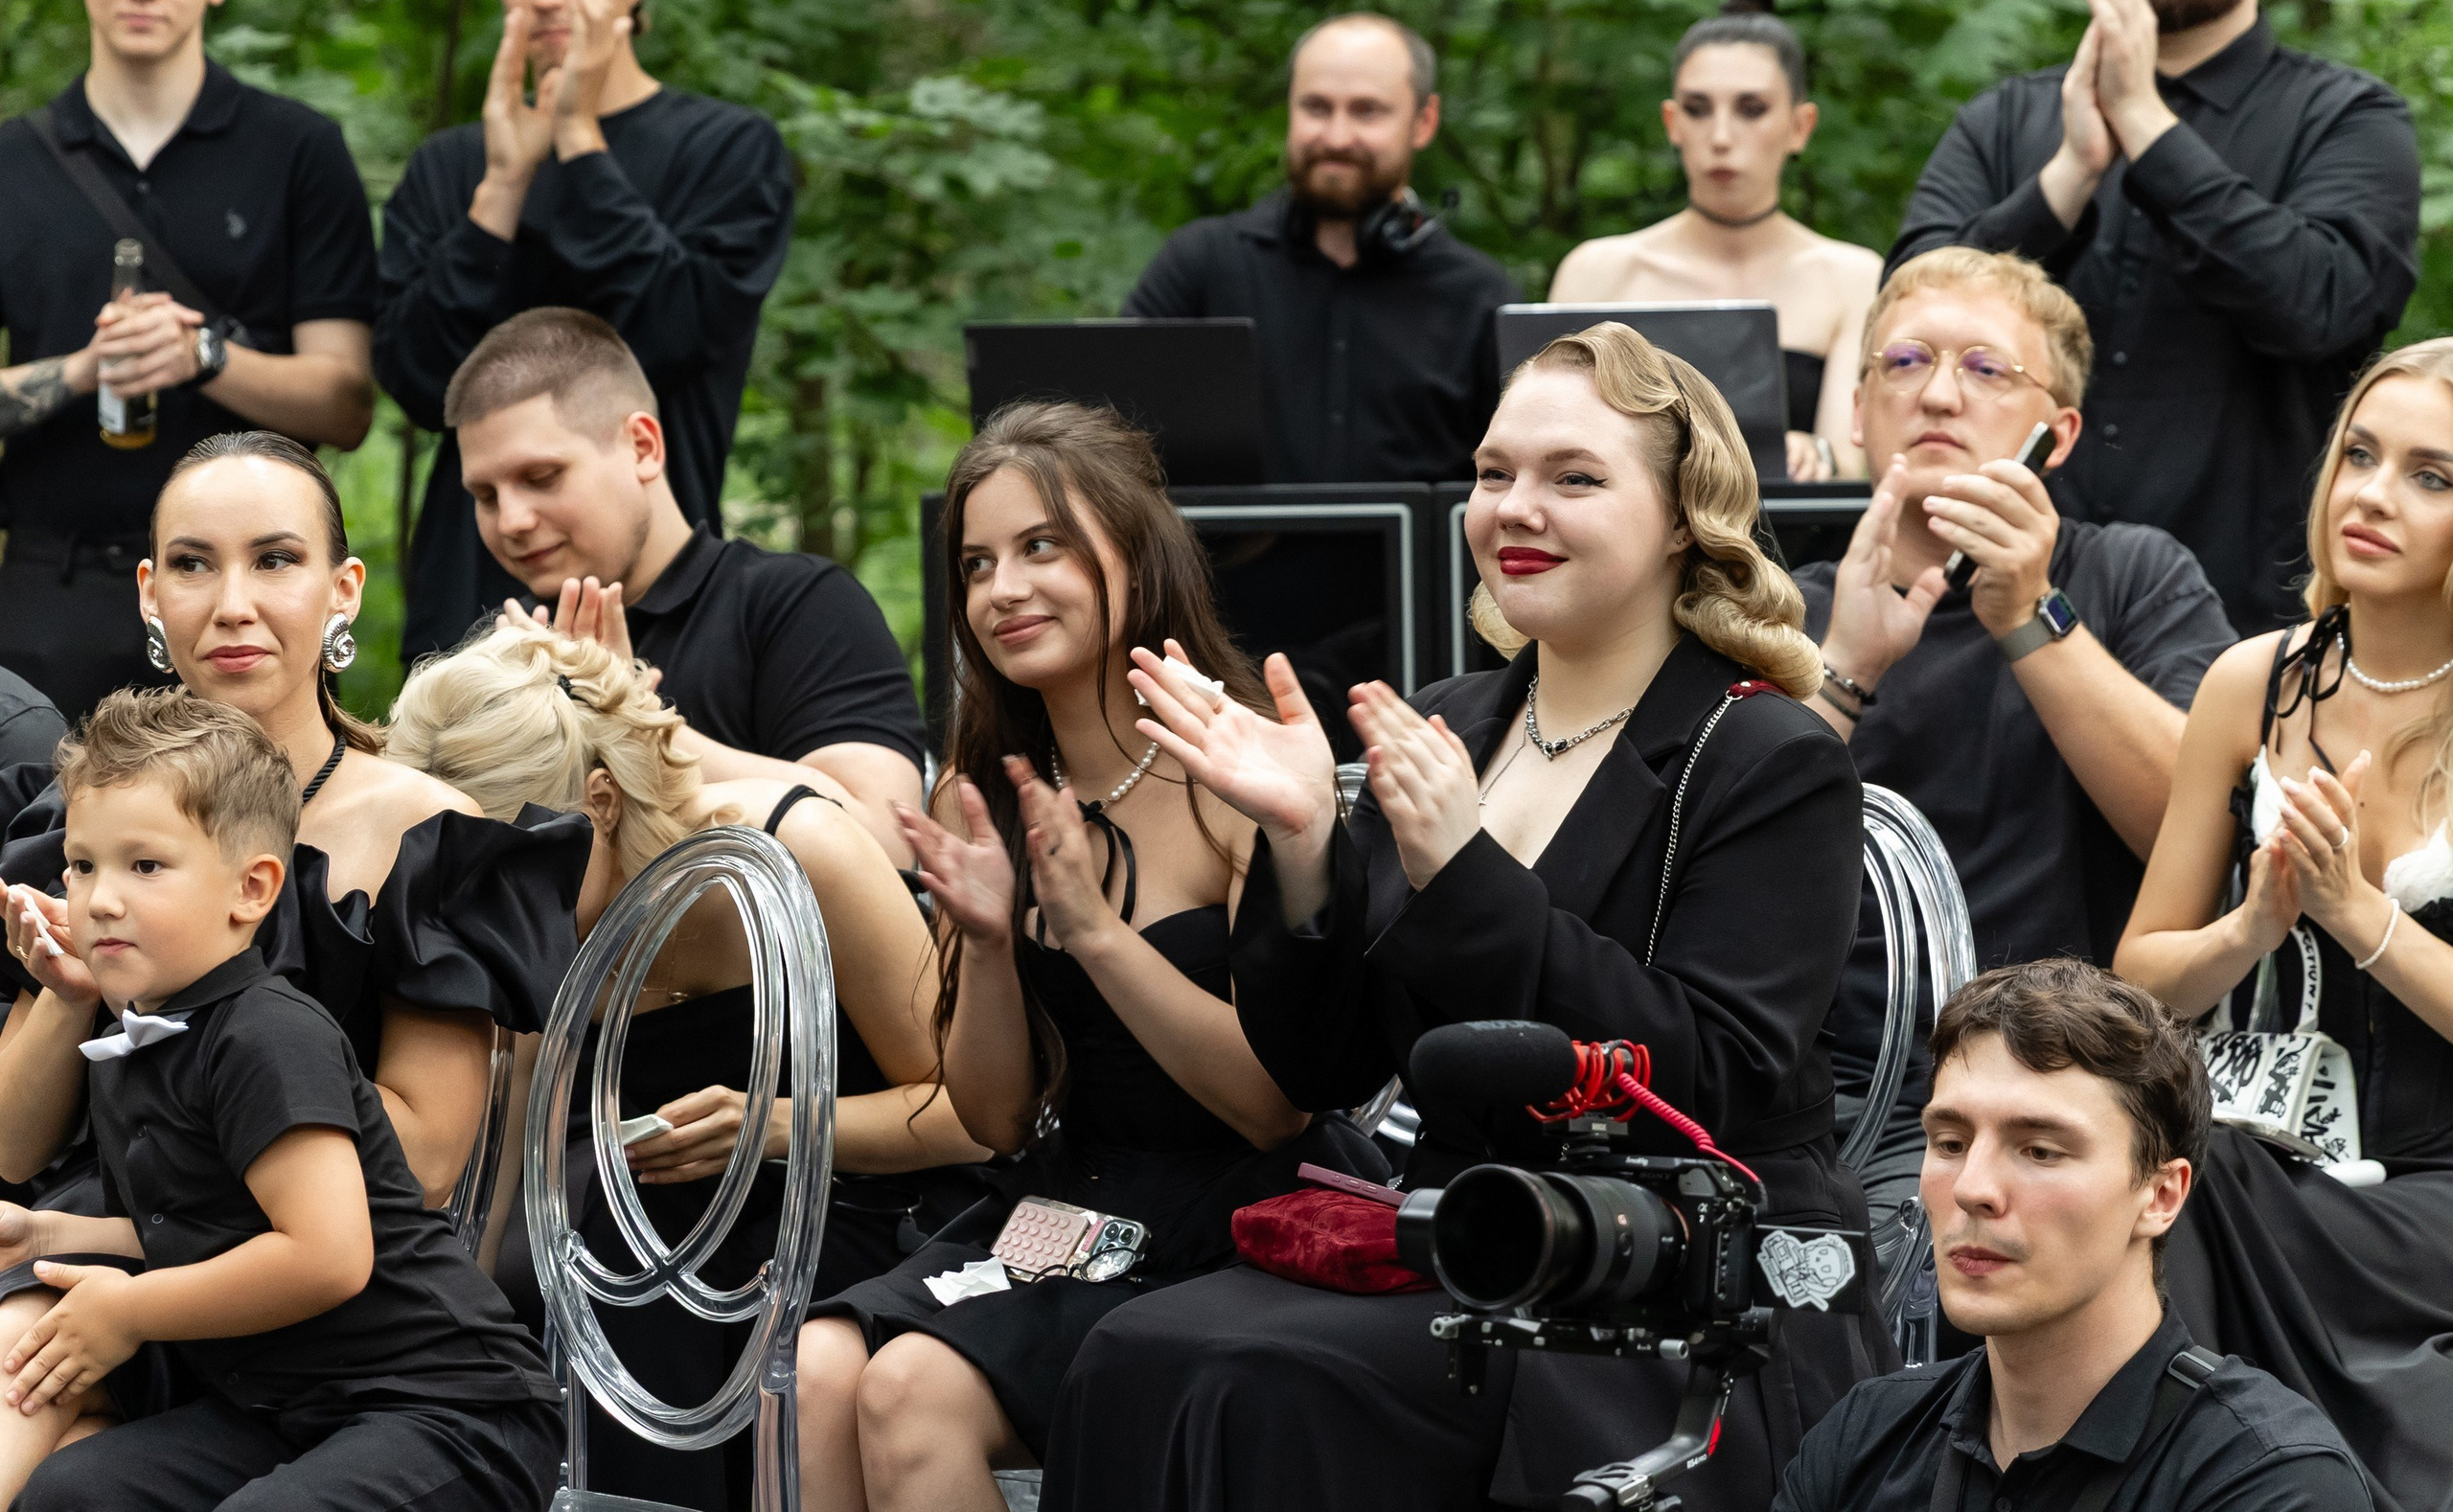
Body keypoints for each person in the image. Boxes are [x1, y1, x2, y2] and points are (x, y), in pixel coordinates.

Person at [1045, 322, 1883, 1511]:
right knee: (1134, 1352)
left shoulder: (1761, 752)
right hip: (1465, 1240)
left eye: (1573, 478)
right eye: (1494, 475)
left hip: (1674, 1272)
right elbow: (1324, 1064)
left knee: (1253, 1379)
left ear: (1684, 518)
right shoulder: (1454, 721)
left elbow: (1713, 1078)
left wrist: (1465, 866)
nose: (1512, 508)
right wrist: (1300, 847)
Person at [791, 403, 1387, 1511]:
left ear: (1136, 554)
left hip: (1243, 1202)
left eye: (1041, 546)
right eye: (976, 564)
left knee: (909, 1390)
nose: (1002, 588)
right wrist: (988, 945)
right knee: (819, 1372)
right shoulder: (994, 790)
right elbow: (997, 1119)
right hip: (1073, 1193)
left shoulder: (1234, 771)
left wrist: (1099, 938)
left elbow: (1272, 1108)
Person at [386, 620, 989, 1512]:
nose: (487, 910)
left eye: (508, 874)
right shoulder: (513, 915)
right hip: (649, 1242)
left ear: (600, 803)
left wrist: (773, 1125)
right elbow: (502, 1138)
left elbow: (972, 1116)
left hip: (868, 1214)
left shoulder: (799, 853)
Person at [0, 689, 563, 1512]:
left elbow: (327, 1255)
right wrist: (47, 1229)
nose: (101, 898)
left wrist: (130, 1308)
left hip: (447, 1409)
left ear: (253, 888)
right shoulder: (139, 1033)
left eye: (144, 865)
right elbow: (204, 1229)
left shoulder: (264, 1035)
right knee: (75, 1491)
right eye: (82, 866)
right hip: (290, 1404)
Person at [1794, 247, 2235, 1220]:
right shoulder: (1784, 609)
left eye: (1986, 370)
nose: (1938, 394)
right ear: (1858, 409)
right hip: (1828, 1105)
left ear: (2058, 433)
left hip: (2078, 1092)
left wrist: (2028, 614)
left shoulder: (2132, 576)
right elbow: (1707, 879)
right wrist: (1846, 671)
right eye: (1902, 363)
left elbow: (2198, 833)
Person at [1891, 0, 2419, 632]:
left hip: (2254, 637)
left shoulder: (2353, 121)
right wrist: (2068, 177)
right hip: (1977, 636)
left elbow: (2321, 309)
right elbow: (1902, 325)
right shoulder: (2002, 121)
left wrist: (2145, 123)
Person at [2114, 338, 2453, 1512]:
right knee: (2163, 1171)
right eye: (2357, 454)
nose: (2368, 493)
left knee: (2187, 1183)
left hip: (2438, 1185)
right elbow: (2140, 981)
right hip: (2262, 1146)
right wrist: (2252, 927)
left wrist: (2357, 916)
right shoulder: (2250, 683)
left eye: (2430, 475)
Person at [1771, 960, 2370, 1511]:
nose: (1972, 1188)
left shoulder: (2269, 1481)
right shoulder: (1861, 1441)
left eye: (2039, 1150)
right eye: (1950, 1144)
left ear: (2161, 1196)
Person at [378, 0, 795, 664]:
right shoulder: (451, 168)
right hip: (469, 610)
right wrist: (501, 188)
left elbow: (676, 330)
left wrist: (578, 138)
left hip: (661, 605)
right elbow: (417, 379)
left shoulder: (728, 151)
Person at [0, 0, 379, 720]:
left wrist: (203, 356)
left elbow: (347, 401)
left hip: (248, 605)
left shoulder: (298, 152)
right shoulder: (10, 164)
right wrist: (83, 370)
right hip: (50, 596)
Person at [447, 308, 927, 859]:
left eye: (541, 477)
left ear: (643, 447)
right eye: (485, 496)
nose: (511, 520)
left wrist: (633, 719)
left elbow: (887, 842)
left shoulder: (798, 603)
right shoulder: (506, 650)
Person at [1121, 12, 1518, 486]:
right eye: (1316, 107)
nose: (1336, 136)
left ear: (1423, 121)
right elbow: (1108, 442)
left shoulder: (1482, 296)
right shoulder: (1199, 264)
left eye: (1367, 110)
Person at [1550, 0, 1878, 482]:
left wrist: (1820, 456)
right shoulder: (1597, 272)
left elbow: (1855, 460)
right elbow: (1550, 447)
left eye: (1752, 109)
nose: (1721, 137)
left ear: (1801, 126)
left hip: (1795, 550)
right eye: (1698, 109)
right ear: (1672, 122)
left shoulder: (1852, 278)